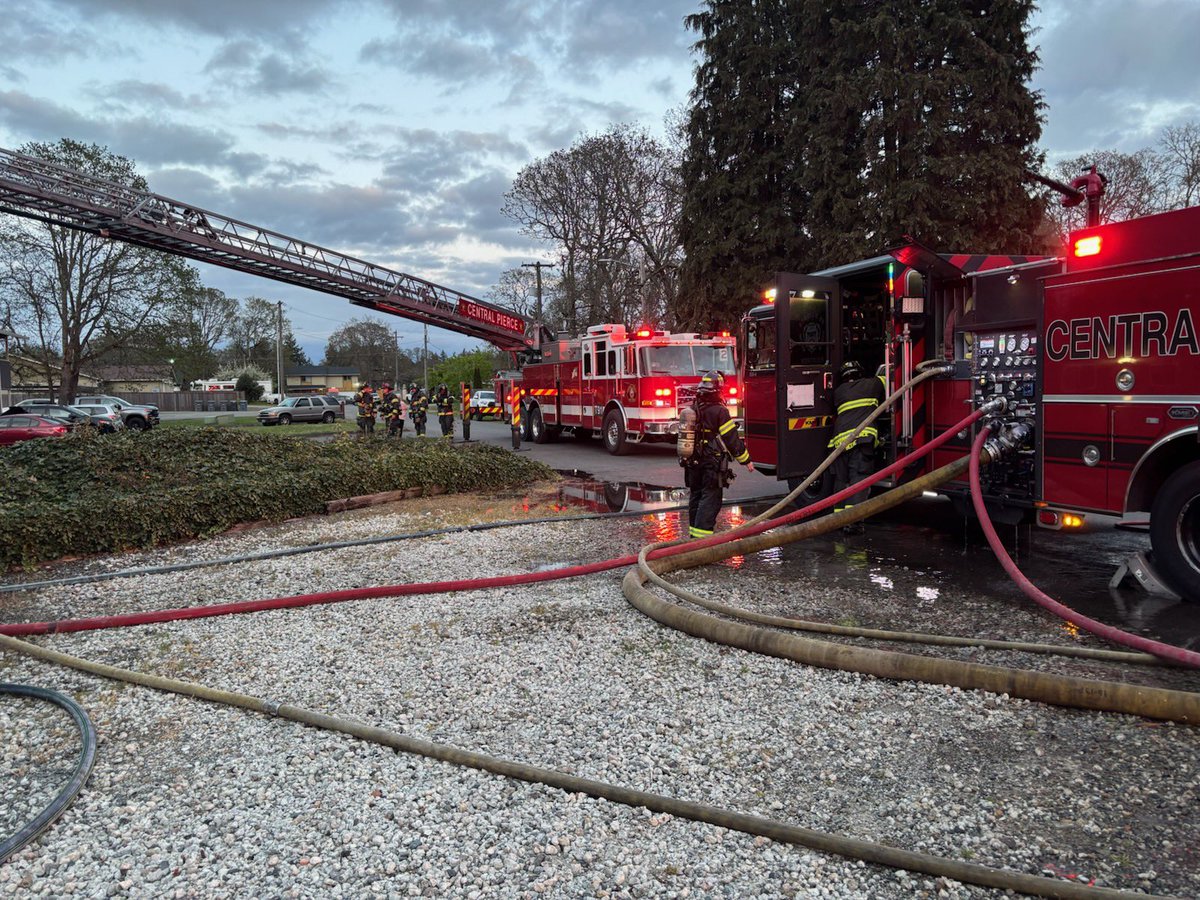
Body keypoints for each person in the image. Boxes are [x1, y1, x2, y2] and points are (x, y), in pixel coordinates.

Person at [682, 371, 753, 539]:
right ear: (718, 390)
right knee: (710, 498)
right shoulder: (719, 411)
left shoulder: (693, 409)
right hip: (711, 462)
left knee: (696, 495)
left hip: (692, 461)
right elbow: (732, 439)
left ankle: (694, 536)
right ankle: (702, 543)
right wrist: (746, 461)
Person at [828, 359, 886, 534]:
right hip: (861, 442)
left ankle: (838, 519)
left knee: (841, 481)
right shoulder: (872, 385)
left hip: (839, 444)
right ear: (861, 373)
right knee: (859, 480)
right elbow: (889, 377)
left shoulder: (838, 392)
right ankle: (853, 522)